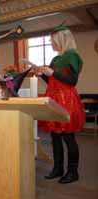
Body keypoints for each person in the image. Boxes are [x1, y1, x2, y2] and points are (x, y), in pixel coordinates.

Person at [34, 26, 85, 184]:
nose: (51, 43)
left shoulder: (72, 56)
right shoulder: (55, 59)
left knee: (68, 138)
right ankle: (57, 169)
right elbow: (52, 81)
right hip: (54, 99)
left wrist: (52, 73)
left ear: (61, 39)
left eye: (52, 40)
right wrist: (42, 75)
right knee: (55, 136)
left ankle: (72, 172)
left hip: (67, 100)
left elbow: (72, 81)